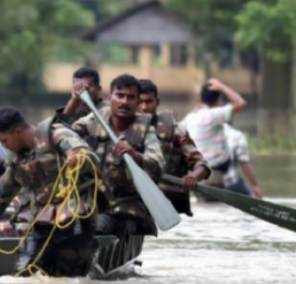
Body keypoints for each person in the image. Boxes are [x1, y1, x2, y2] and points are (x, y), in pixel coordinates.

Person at [0, 107, 99, 277]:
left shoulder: (55, 134)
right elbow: (2, 194)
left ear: (18, 131)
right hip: (41, 221)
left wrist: (76, 158)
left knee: (68, 276)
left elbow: (87, 155)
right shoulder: (16, 158)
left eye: (5, 140)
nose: (4, 146)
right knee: (24, 271)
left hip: (74, 219)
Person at [69, 74, 165, 269]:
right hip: (89, 202)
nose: (124, 102)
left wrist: (136, 155)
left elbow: (158, 164)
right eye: (120, 95)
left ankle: (89, 263)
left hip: (124, 207)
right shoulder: (93, 120)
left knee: (99, 226)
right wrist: (73, 102)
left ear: (137, 102)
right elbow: (62, 133)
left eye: (131, 97)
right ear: (109, 97)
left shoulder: (146, 130)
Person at [137, 79, 210, 216]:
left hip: (169, 206)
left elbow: (202, 165)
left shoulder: (175, 130)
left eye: (149, 101)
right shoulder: (121, 128)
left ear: (157, 102)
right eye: (140, 102)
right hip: (135, 204)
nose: (144, 107)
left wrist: (193, 177)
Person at [182, 78, 247, 188]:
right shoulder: (214, 114)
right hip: (213, 175)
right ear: (218, 100)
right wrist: (222, 87)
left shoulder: (190, 117)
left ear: (201, 97)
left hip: (197, 174)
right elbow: (241, 103)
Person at [224, 123, 263, 198]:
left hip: (205, 184)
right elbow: (244, 162)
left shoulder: (200, 131)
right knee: (253, 200)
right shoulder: (236, 135)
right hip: (230, 184)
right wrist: (255, 186)